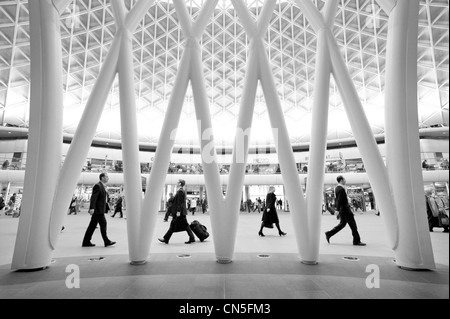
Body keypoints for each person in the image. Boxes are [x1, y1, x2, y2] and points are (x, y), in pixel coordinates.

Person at [325, 176, 366, 246]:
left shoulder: (337, 188)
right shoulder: (341, 189)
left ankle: (329, 233)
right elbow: (339, 200)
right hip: (345, 209)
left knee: (342, 224)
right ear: (341, 180)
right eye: (344, 179)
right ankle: (356, 241)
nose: (345, 181)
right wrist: (337, 210)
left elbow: (337, 199)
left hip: (342, 209)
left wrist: (338, 209)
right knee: (353, 225)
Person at [82, 173, 116, 247]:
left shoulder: (103, 186)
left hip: (99, 210)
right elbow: (94, 198)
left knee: (92, 226)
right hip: (98, 210)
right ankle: (106, 241)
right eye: (107, 177)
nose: (108, 178)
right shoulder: (98, 186)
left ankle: (86, 241)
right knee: (103, 224)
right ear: (102, 178)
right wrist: (92, 208)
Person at [158, 179, 195, 244]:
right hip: (181, 212)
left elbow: (179, 203)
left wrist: (178, 212)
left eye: (178, 182)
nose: (177, 183)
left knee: (177, 224)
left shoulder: (180, 191)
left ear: (180, 183)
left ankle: (166, 239)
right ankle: (192, 238)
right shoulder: (180, 191)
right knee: (184, 225)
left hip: (180, 212)